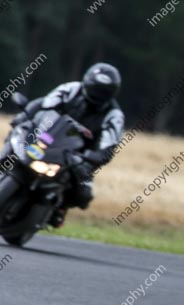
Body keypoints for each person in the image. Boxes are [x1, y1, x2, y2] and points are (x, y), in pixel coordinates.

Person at [5, 63, 124, 227]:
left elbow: (109, 144)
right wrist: (24, 117)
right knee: (16, 137)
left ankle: (59, 209)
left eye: (103, 91)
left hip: (77, 154)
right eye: (95, 88)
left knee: (83, 195)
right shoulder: (71, 89)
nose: (97, 94)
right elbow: (44, 104)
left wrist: (93, 157)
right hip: (47, 137)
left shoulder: (114, 115)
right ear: (87, 83)